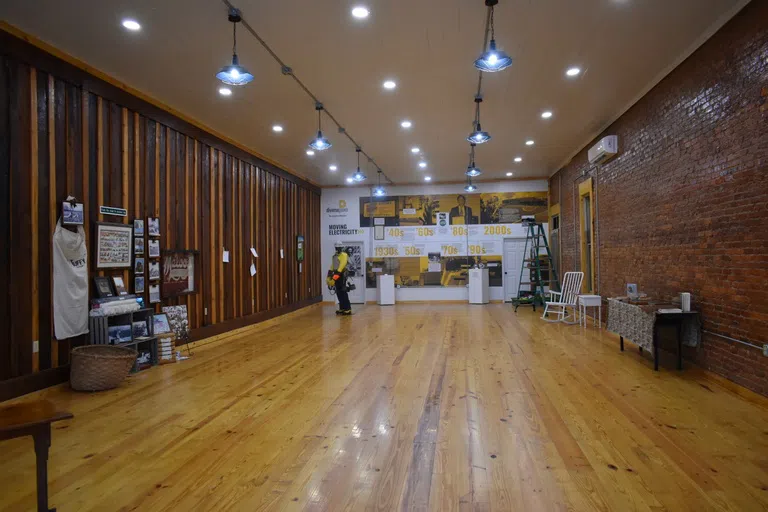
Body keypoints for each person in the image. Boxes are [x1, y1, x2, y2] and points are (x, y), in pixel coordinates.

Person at [327, 242, 352, 315]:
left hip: (341, 275)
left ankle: (348, 309)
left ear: (341, 248)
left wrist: (333, 279)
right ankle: (342, 308)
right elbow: (332, 267)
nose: (337, 248)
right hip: (336, 274)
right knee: (338, 292)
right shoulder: (334, 256)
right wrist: (328, 277)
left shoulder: (344, 255)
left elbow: (340, 268)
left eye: (338, 247)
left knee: (343, 291)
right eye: (336, 247)